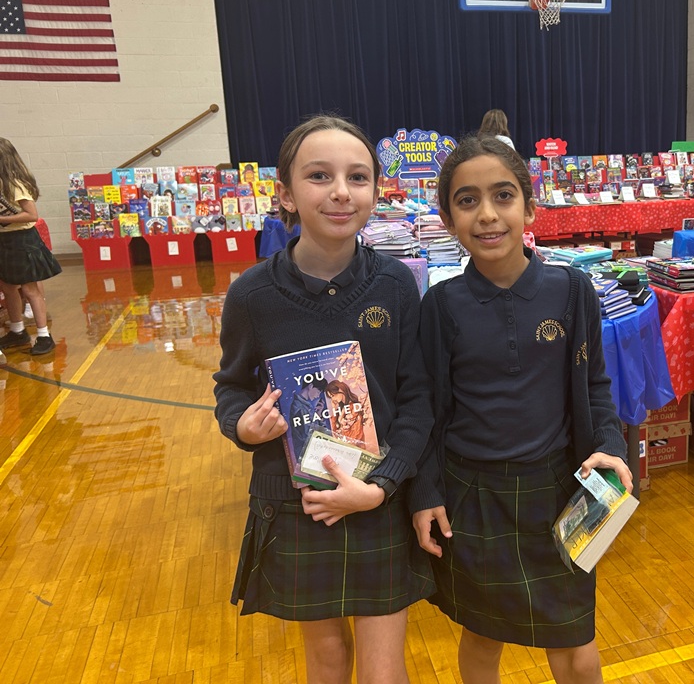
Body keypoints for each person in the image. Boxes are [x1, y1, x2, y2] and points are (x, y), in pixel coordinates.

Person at [213, 115, 435, 684]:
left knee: (383, 673)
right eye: (319, 176)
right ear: (286, 194)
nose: (341, 191)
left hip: (377, 496)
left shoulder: (396, 284)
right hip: (301, 504)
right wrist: (243, 427)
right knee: (328, 659)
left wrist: (382, 486)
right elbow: (231, 386)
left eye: (357, 177)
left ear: (376, 191)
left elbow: (417, 400)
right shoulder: (252, 295)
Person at [411, 135, 632, 684]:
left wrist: (611, 446)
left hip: (559, 493)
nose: (487, 214)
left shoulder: (572, 290)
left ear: (529, 208)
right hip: (472, 499)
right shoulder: (441, 305)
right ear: (448, 220)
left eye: (503, 196)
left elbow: (595, 385)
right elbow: (428, 411)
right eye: (467, 201)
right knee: (483, 636)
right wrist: (425, 491)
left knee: (575, 642)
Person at [0, 138, 61, 355]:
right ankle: (17, 331)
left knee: (29, 288)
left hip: (22, 239)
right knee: (8, 287)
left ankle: (44, 335)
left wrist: (3, 219)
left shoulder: (16, 184)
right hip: (5, 240)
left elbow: (31, 215)